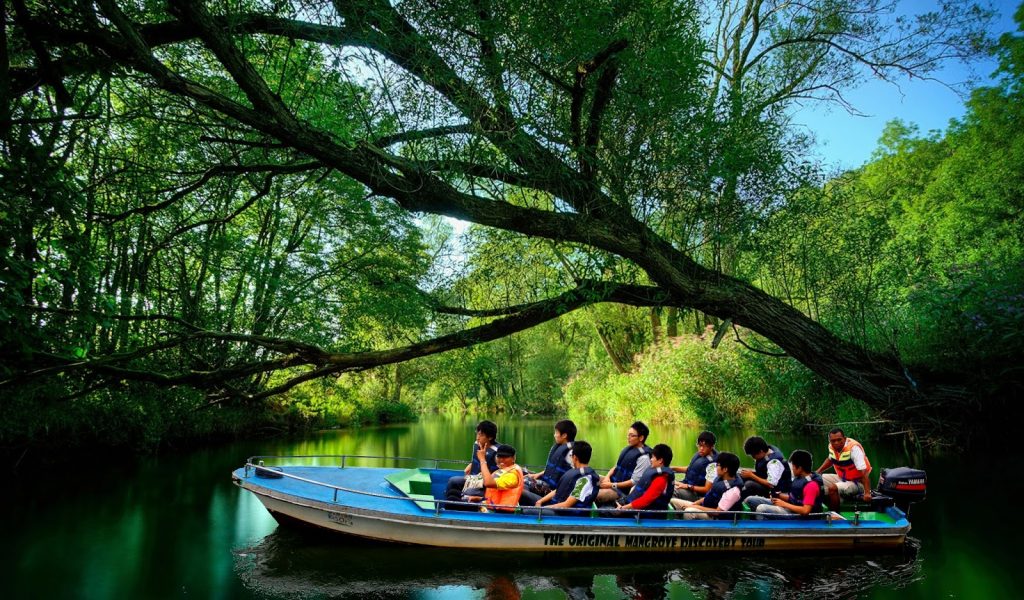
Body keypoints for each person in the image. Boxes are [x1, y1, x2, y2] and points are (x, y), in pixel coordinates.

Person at [747, 450, 825, 519]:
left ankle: (763, 534)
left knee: (761, 509)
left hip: (799, 516)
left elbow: (805, 510)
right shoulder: (799, 478)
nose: (792, 469)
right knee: (751, 500)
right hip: (791, 507)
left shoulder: (811, 486)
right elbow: (795, 499)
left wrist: (784, 504)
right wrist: (778, 495)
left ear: (800, 468)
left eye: (793, 466)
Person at [532, 441, 601, 515]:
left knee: (527, 512)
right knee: (525, 494)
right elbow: (557, 491)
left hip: (563, 514)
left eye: (571, 456)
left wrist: (542, 509)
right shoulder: (576, 472)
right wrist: (540, 501)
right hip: (556, 506)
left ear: (575, 457)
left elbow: (566, 505)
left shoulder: (584, 480)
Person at [595, 421, 652, 505]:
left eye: (632, 435)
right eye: (628, 435)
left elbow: (634, 482)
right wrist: (607, 477)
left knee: (594, 495)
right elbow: (616, 467)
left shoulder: (644, 458)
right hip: (612, 481)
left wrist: (611, 485)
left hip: (621, 492)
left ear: (641, 438)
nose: (628, 438)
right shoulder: (627, 449)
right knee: (590, 477)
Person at [521, 419, 576, 505]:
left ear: (564, 435)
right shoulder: (559, 447)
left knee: (523, 482)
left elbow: (575, 475)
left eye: (556, 433)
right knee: (521, 471)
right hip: (546, 481)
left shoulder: (571, 453)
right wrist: (538, 474)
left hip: (552, 490)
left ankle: (525, 504)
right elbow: (553, 468)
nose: (554, 435)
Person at [673, 451, 743, 519]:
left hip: (715, 518)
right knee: (673, 501)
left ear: (725, 469)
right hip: (705, 507)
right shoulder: (720, 478)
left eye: (717, 465)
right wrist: (694, 504)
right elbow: (708, 496)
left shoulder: (733, 491)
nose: (716, 467)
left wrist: (694, 507)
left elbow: (717, 512)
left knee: (689, 511)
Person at [445, 420, 500, 505]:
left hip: (484, 485)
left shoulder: (498, 452)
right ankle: (448, 503)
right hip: (472, 478)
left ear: (490, 437)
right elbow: (475, 459)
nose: (477, 437)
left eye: (481, 435)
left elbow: (500, 473)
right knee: (452, 481)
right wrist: (471, 465)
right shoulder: (477, 444)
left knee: (468, 490)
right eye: (477, 434)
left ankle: (465, 506)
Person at [816, 428, 872, 510]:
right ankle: (815, 509)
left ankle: (835, 515)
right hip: (842, 478)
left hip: (858, 483)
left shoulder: (854, 448)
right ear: (829, 441)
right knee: (814, 479)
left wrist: (867, 493)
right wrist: (818, 471)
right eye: (833, 441)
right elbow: (830, 459)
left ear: (844, 439)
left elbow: (864, 472)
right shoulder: (831, 447)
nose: (836, 443)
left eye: (839, 440)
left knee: (832, 488)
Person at [617, 444, 675, 517]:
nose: (651, 459)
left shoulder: (661, 480)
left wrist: (623, 508)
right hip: (639, 508)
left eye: (653, 457)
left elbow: (645, 500)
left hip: (649, 515)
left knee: (607, 512)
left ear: (660, 460)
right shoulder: (655, 474)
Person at [472, 444, 524, 513]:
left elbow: (488, 483)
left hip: (501, 512)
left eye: (506, 457)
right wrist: (480, 498)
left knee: (453, 499)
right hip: (493, 506)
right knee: (455, 494)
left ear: (513, 458)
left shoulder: (512, 475)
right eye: (499, 456)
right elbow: (497, 495)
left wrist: (482, 459)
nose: (501, 460)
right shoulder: (504, 469)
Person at [739, 436, 792, 500]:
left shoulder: (774, 462)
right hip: (766, 481)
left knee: (749, 485)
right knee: (741, 476)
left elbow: (771, 484)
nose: (753, 458)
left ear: (761, 451)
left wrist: (752, 475)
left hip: (777, 491)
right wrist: (749, 474)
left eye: (753, 455)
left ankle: (742, 504)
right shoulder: (767, 450)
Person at [671, 430, 719, 502]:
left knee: (671, 490)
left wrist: (688, 486)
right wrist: (673, 468)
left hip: (697, 495)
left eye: (705, 446)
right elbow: (690, 469)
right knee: (664, 484)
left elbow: (707, 489)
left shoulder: (713, 466)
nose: (701, 449)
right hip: (686, 486)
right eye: (699, 445)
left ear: (712, 446)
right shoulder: (701, 455)